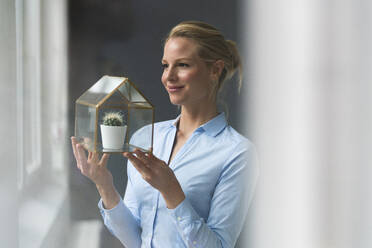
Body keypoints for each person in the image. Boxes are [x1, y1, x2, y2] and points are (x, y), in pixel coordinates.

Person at [71, 20, 259, 248]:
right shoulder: (149, 136)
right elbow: (135, 240)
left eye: (183, 65)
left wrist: (171, 190)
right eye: (165, 65)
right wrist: (104, 186)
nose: (168, 77)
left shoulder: (237, 153)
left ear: (215, 70)